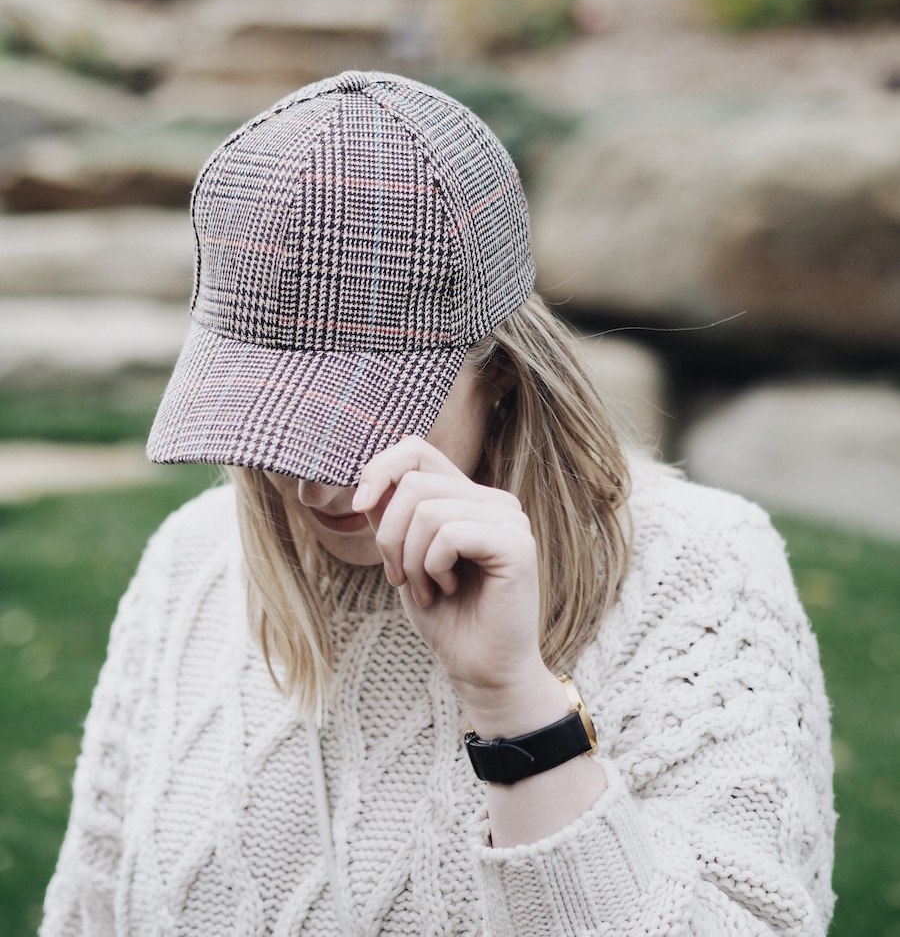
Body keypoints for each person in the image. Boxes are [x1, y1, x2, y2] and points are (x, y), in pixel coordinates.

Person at [41, 70, 835, 936]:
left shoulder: (700, 575)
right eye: (267, 410)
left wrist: (514, 704)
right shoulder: (189, 567)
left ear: (498, 373)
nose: (316, 481)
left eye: (364, 414)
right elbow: (90, 910)